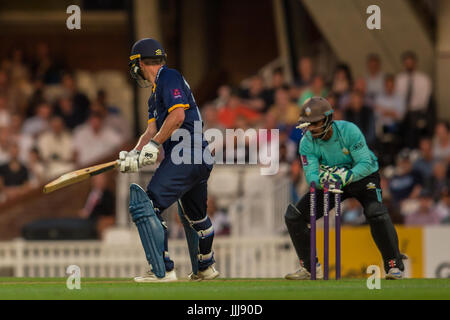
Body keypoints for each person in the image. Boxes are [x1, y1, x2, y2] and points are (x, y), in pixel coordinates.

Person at [119, 38, 218, 282]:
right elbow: (151, 131)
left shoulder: (168, 77)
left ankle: (162, 270)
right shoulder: (154, 95)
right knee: (196, 217)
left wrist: (155, 146)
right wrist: (135, 152)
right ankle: (205, 267)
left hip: (187, 153)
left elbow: (177, 115)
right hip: (197, 157)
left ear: (139, 63)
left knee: (148, 205)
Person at [284, 97, 405, 280]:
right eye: (308, 124)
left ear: (327, 119)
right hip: (332, 181)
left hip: (362, 176)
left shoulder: (349, 131)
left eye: (315, 122)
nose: (311, 128)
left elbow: (365, 162)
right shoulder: (307, 143)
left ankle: (393, 265)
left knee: (375, 212)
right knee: (294, 216)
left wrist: (346, 176)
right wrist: (324, 181)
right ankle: (310, 268)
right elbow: (311, 177)